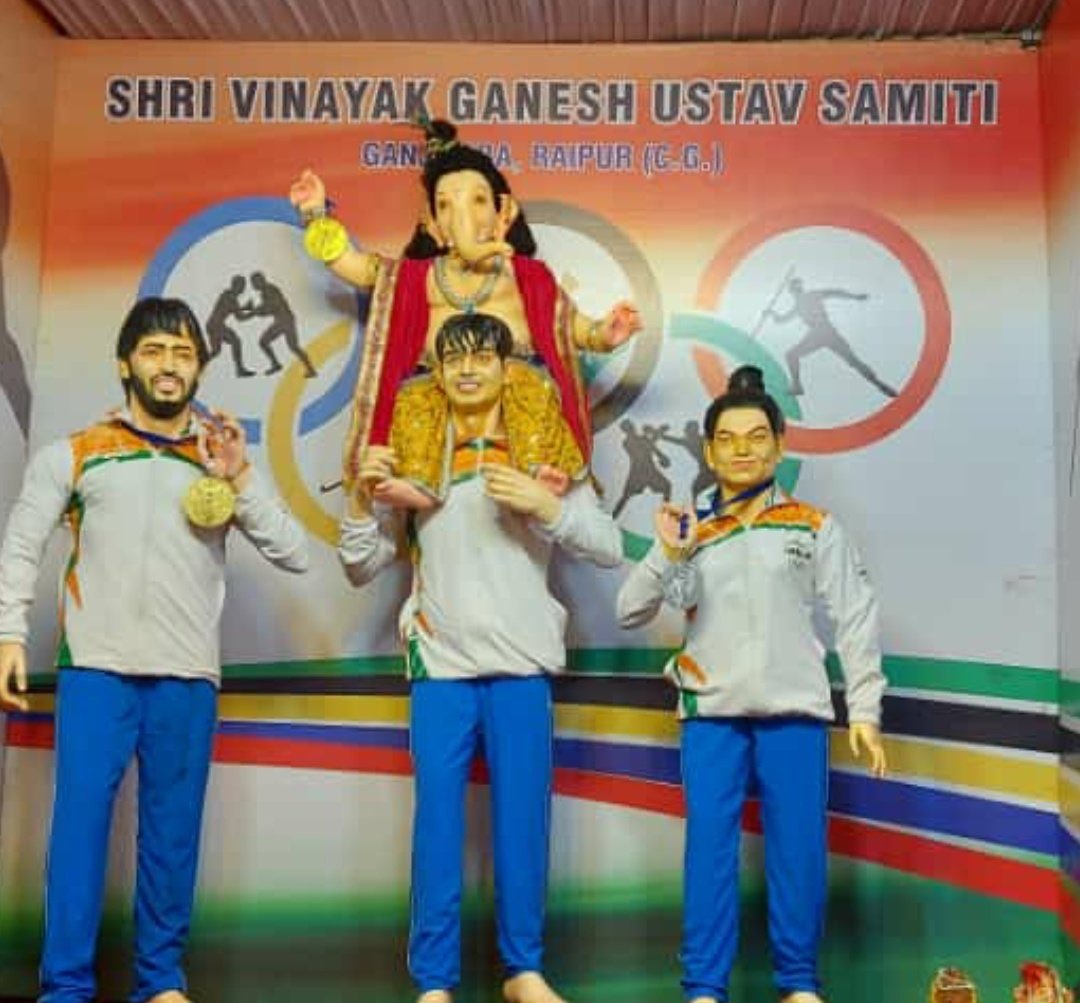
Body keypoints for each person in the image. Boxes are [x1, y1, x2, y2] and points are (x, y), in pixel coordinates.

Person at [0, 296, 309, 1003]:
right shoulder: (76, 452)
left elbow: (293, 553)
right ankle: (66, 986)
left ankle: (160, 982)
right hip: (96, 673)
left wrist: (241, 478)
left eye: (183, 352)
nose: (169, 364)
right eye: (154, 350)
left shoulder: (216, 456)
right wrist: (8, 634)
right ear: (124, 364)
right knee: (78, 837)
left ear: (199, 366)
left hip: (186, 676)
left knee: (172, 840)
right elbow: (22, 543)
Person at [338, 312, 622, 1003]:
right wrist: (361, 498)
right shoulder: (415, 454)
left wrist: (546, 507)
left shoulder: (542, 449)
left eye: (481, 359)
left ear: (506, 368)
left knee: (523, 821)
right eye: (451, 360)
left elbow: (608, 545)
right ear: (436, 374)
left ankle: (522, 969)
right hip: (440, 666)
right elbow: (359, 565)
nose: (466, 371)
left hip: (522, 664)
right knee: (437, 824)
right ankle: (435, 980)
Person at [615, 365, 887, 1003]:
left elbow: (856, 619)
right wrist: (670, 553)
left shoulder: (814, 526)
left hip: (795, 712)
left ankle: (798, 985)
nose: (742, 449)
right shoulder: (688, 526)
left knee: (798, 853)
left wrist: (866, 712)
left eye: (756, 436)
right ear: (708, 452)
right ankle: (704, 987)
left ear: (780, 445)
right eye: (728, 439)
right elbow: (630, 607)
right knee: (708, 854)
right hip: (712, 715)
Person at [289, 118, 641, 508]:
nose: (462, 215)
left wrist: (603, 333)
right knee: (415, 396)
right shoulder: (416, 278)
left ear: (503, 211)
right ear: (432, 223)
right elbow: (351, 263)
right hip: (444, 404)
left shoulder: (524, 277)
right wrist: (315, 214)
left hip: (510, 410)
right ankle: (419, 485)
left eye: (477, 200)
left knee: (533, 384)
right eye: (445, 205)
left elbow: (564, 327)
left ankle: (542, 470)